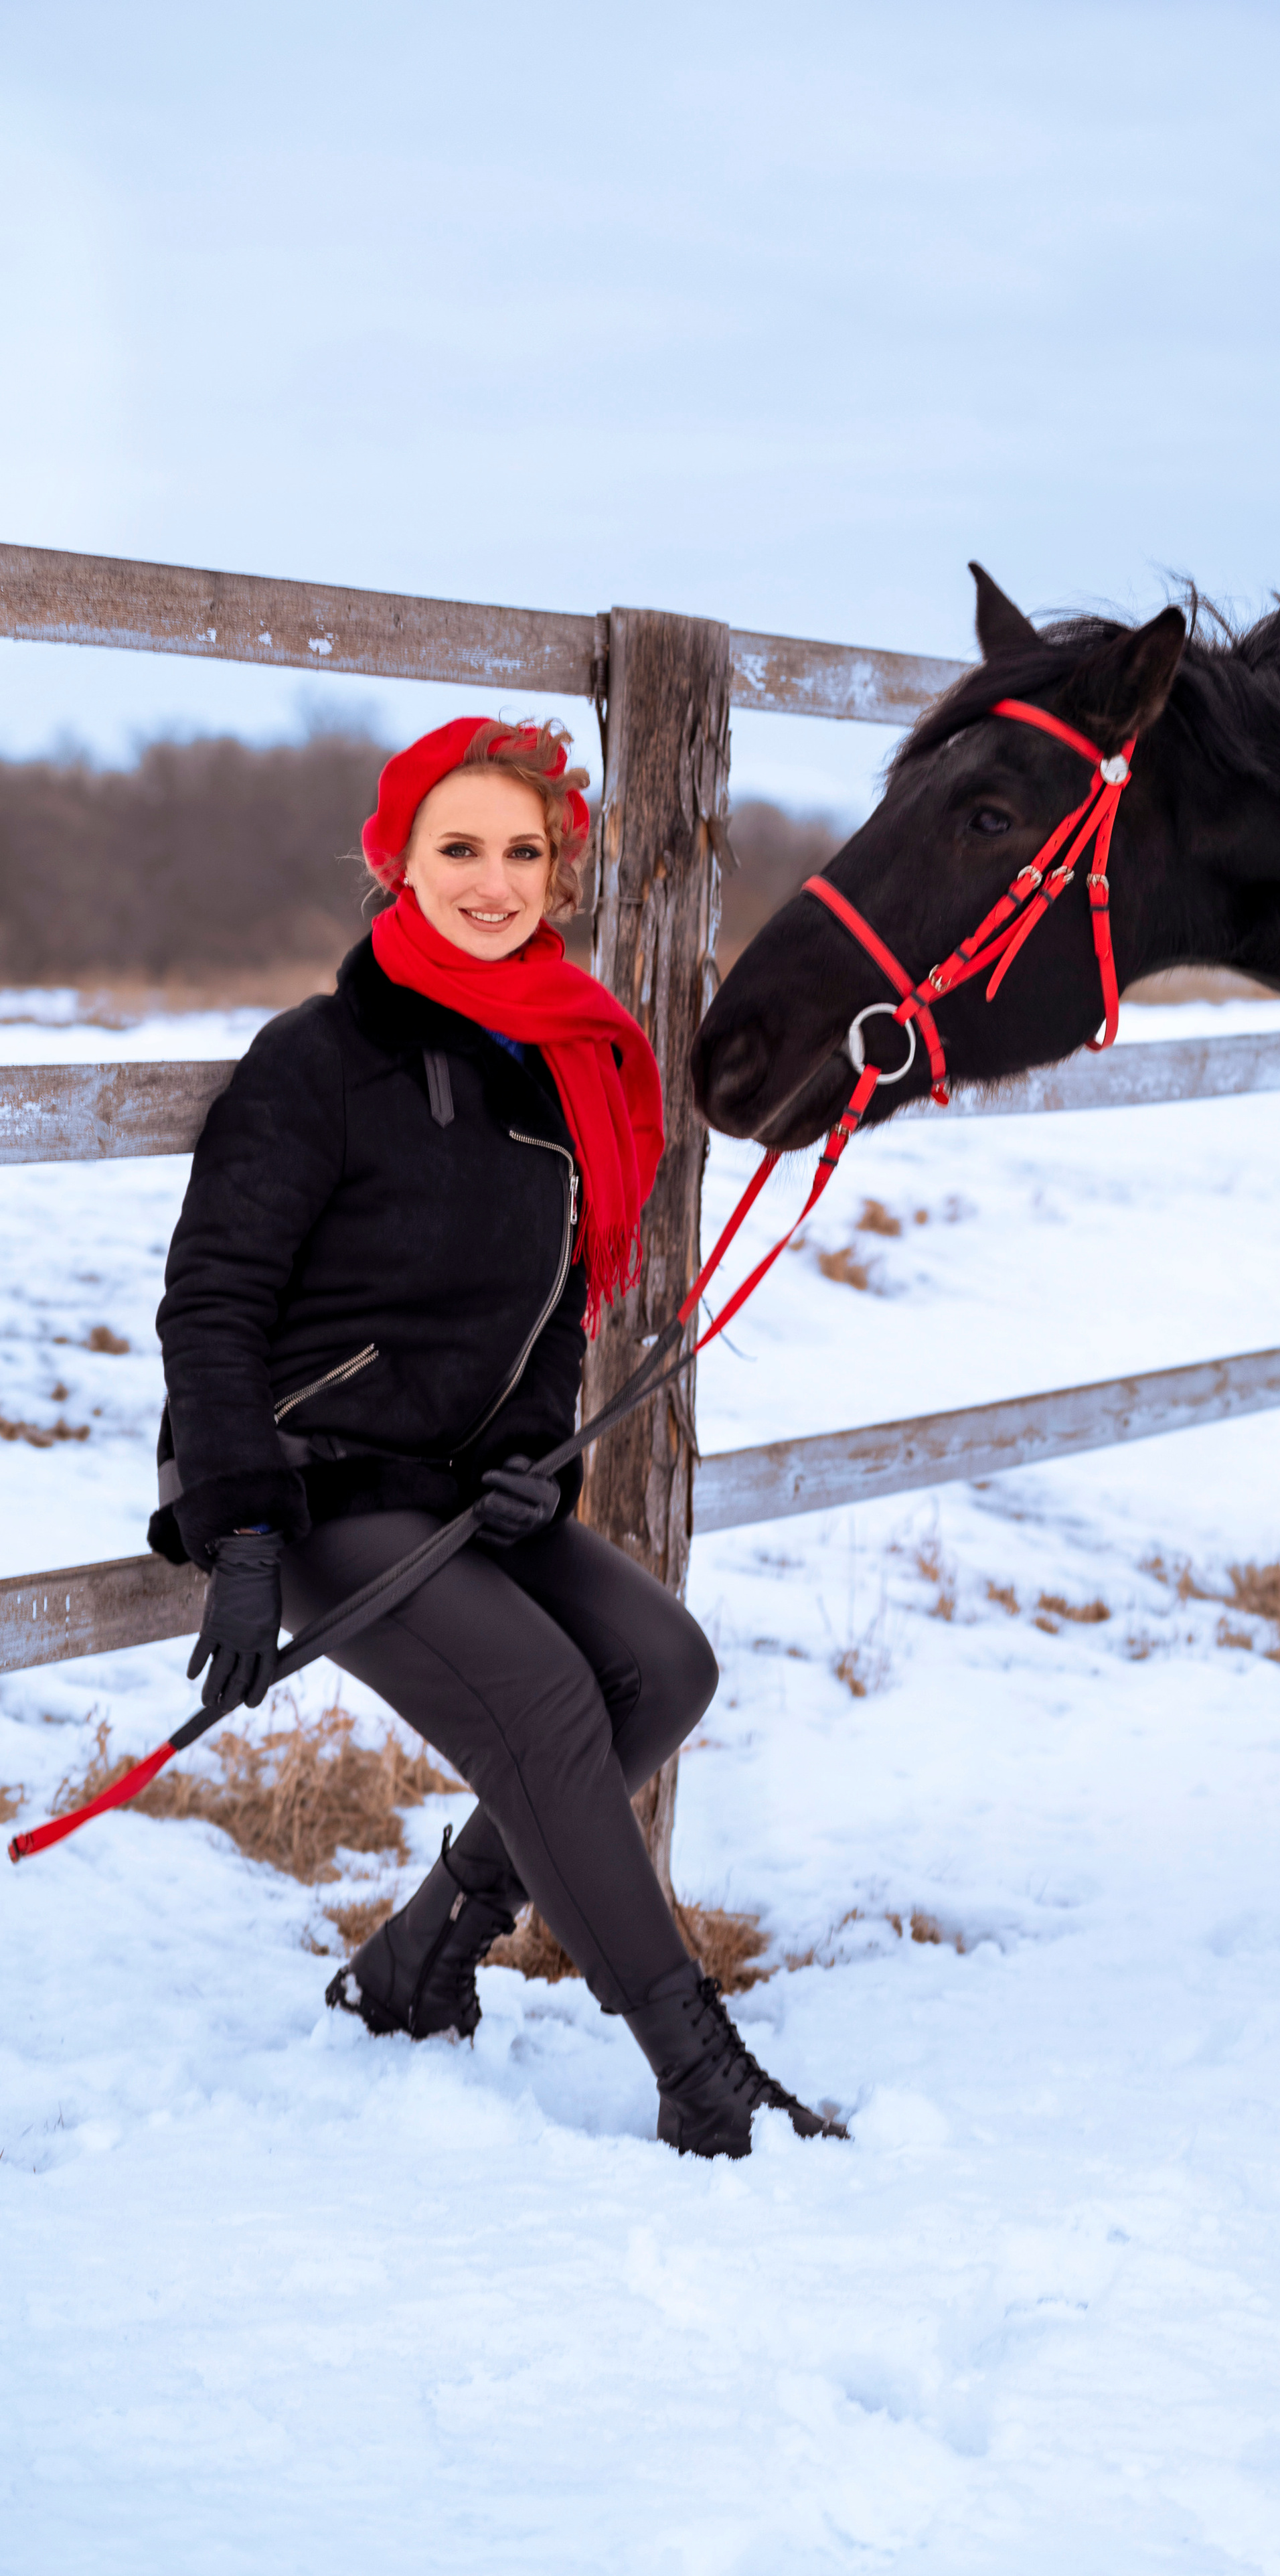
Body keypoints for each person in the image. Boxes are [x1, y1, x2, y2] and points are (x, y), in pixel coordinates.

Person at [147, 714, 841, 2160]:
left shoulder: (557, 1064)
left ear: (558, 874)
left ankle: (419, 1957)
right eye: (457, 847)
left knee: (663, 1664)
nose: (492, 879)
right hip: (315, 1483)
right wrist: (244, 1527)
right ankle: (699, 2072)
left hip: (459, 1484)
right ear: (394, 861)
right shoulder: (317, 1060)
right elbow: (213, 1297)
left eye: (522, 851)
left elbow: (550, 1313)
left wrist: (541, 1456)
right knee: (542, 1701)